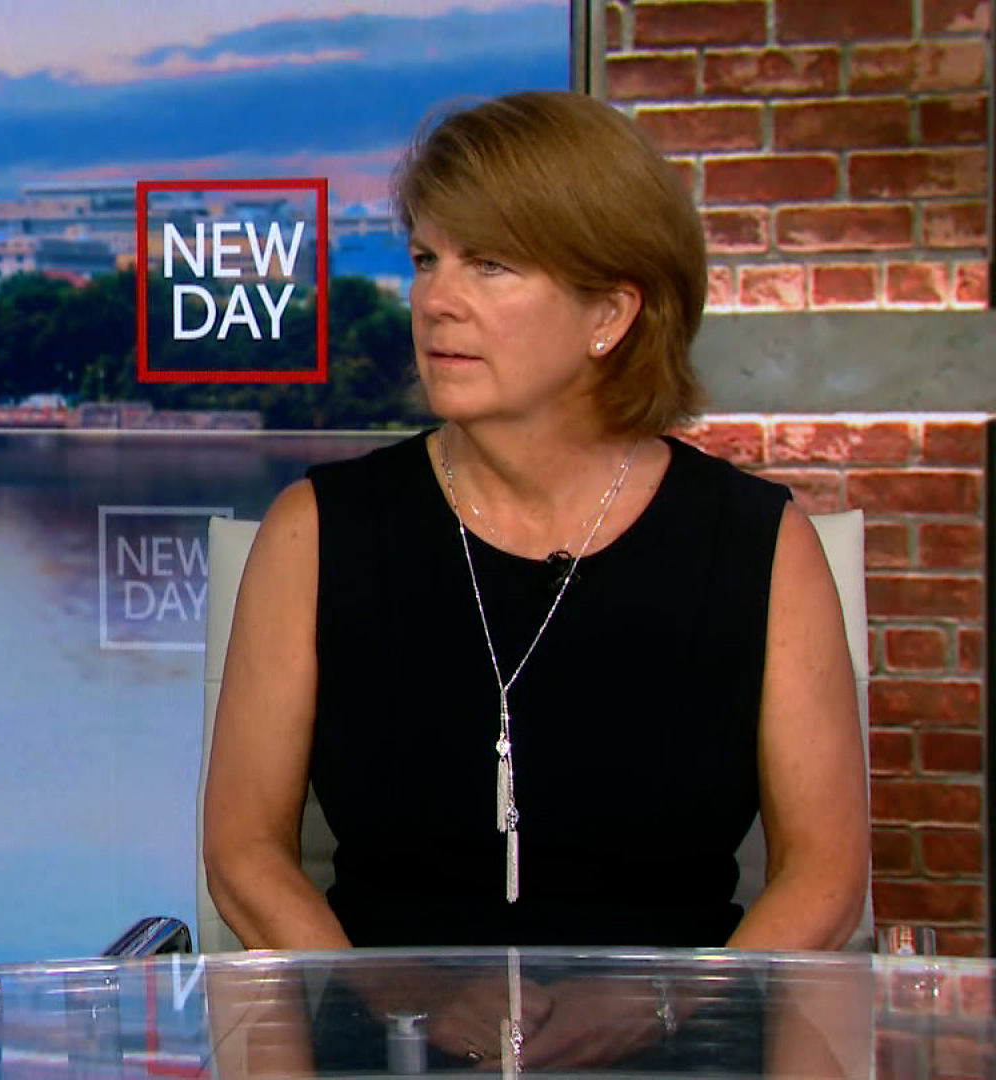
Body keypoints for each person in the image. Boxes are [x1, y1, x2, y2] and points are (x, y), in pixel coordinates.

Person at [203, 89, 868, 1061]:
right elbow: (244, 855)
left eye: (491, 263)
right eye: (427, 259)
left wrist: (662, 1002)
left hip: (683, 1045)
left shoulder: (760, 544)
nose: (436, 299)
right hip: (391, 1046)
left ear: (609, 312)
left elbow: (826, 876)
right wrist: (396, 993)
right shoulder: (318, 531)